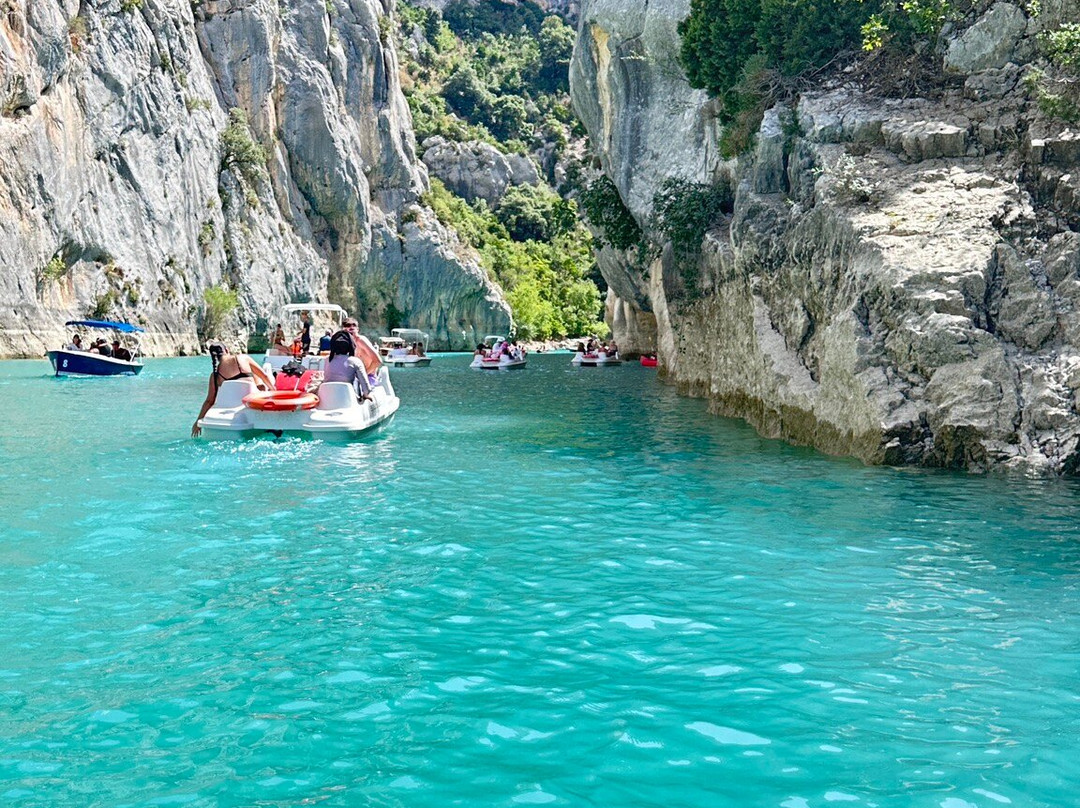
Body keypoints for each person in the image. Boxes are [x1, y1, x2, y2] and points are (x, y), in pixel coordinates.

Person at [192, 342, 273, 437]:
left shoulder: (215, 376)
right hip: (253, 403)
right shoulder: (242, 358)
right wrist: (274, 391)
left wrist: (198, 421)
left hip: (233, 407)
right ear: (226, 350)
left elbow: (209, 401)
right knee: (260, 377)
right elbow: (265, 376)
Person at [323, 330, 371, 400]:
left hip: (327, 398)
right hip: (347, 399)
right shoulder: (355, 361)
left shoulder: (327, 360)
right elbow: (366, 389)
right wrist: (366, 395)